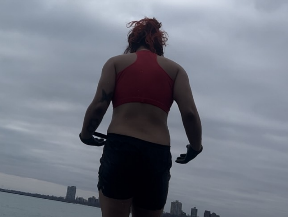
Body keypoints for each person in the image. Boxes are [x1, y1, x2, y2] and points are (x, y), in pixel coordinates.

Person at [79, 17, 203, 217]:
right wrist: (196, 147)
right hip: (156, 153)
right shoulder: (176, 70)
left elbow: (99, 105)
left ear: (132, 42)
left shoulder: (116, 63)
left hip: (121, 147)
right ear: (159, 46)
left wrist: (86, 134)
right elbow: (189, 114)